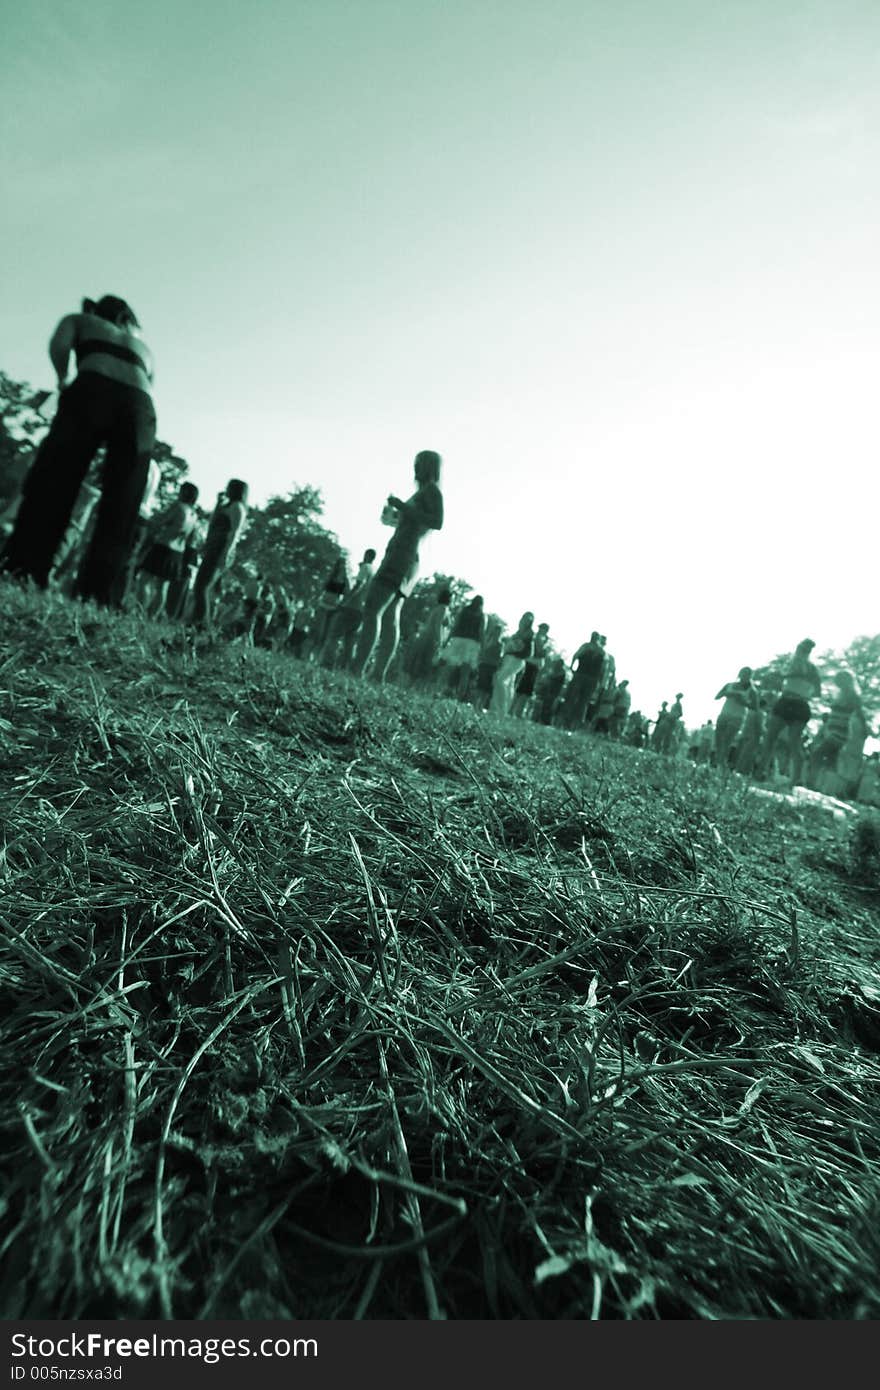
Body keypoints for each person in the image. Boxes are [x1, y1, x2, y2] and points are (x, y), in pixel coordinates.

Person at [0, 295, 156, 604]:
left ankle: (25, 569)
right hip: (140, 404)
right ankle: (97, 595)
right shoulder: (144, 347)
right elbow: (149, 382)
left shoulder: (80, 320)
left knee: (56, 477)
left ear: (98, 311)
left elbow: (59, 345)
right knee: (122, 502)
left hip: (92, 386)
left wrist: (63, 379)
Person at [351, 451, 444, 681]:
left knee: (373, 608)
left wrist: (403, 507)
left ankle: (358, 668)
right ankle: (377, 674)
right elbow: (417, 521)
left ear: (428, 466)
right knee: (390, 615)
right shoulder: (422, 492)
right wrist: (397, 514)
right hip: (406, 556)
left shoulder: (431, 490)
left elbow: (437, 521)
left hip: (402, 557)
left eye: (418, 463)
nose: (415, 467)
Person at [759, 640, 822, 785]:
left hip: (791, 701)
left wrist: (798, 688)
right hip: (797, 703)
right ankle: (780, 776)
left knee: (773, 738)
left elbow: (817, 692)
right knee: (790, 742)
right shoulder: (809, 668)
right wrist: (804, 692)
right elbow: (818, 693)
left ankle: (765, 772)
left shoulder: (799, 666)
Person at [189, 480, 249, 627]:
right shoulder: (227, 505)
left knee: (202, 587)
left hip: (221, 549)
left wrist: (225, 554)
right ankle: (199, 622)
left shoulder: (237, 507)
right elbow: (213, 522)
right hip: (214, 547)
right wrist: (218, 503)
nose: (226, 489)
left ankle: (201, 624)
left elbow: (234, 532)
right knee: (200, 586)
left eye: (229, 487)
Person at [135, 481, 200, 617]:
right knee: (162, 587)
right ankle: (151, 616)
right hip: (178, 553)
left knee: (144, 580)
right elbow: (191, 538)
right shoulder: (194, 515)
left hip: (163, 547)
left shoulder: (178, 507)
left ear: (185, 493)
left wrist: (151, 520)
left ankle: (139, 612)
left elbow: (160, 521)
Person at [808, 671, 868, 794]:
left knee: (817, 755)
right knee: (830, 760)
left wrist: (865, 729)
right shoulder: (840, 694)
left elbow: (860, 713)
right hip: (833, 730)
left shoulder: (852, 696)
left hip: (840, 732)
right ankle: (826, 788)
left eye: (838, 679)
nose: (835, 682)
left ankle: (812, 784)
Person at [320, 548, 376, 668]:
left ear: (366, 555)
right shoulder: (374, 571)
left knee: (334, 635)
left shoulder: (365, 567)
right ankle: (347, 667)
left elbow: (358, 585)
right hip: (362, 610)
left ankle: (327, 663)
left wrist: (345, 601)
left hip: (352, 607)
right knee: (350, 641)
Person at [440, 595, 486, 700]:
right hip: (472, 643)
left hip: (458, 640)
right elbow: (481, 632)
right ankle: (459, 696)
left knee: (451, 666)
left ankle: (445, 690)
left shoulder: (464, 611)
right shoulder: (481, 615)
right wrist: (482, 648)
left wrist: (447, 640)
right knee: (465, 672)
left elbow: (455, 626)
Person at [713, 667, 759, 770]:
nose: (745, 676)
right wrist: (726, 693)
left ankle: (721, 762)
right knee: (718, 739)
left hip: (738, 716)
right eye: (743, 673)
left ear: (750, 676)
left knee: (728, 739)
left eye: (748, 674)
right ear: (739, 674)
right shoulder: (729, 685)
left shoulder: (752, 690)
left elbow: (755, 707)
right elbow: (716, 697)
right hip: (724, 713)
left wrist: (744, 702)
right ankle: (718, 759)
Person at [491, 612, 535, 717]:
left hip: (517, 660)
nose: (524, 620)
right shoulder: (519, 632)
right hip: (509, 658)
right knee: (509, 684)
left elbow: (528, 652)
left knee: (501, 680)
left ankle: (501, 709)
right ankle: (501, 709)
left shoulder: (529, 635)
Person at [406, 587, 452, 686]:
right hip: (431, 638)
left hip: (426, 636)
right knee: (425, 662)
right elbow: (438, 625)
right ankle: (414, 686)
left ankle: (411, 685)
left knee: (420, 661)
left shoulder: (437, 608)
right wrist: (439, 640)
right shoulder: (443, 609)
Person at [560, 632, 605, 729]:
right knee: (581, 701)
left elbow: (576, 656)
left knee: (576, 699)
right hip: (589, 677)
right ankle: (572, 724)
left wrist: (572, 667)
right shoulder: (601, 651)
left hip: (583, 675)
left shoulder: (587, 647)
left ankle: (570, 723)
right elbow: (603, 669)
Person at [312, 556, 349, 657]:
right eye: (340, 563)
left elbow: (347, 594)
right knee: (319, 631)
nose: (342, 566)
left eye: (343, 564)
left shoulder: (345, 580)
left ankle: (319, 655)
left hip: (334, 607)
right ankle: (314, 653)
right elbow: (322, 588)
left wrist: (342, 605)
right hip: (324, 605)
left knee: (327, 633)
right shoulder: (331, 576)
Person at [512, 622, 550, 718]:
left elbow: (544, 654)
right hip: (529, 663)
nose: (541, 630)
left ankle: (519, 712)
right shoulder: (536, 638)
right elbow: (539, 652)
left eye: (543, 629)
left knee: (527, 691)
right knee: (521, 688)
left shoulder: (545, 640)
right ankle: (512, 710)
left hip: (536, 666)